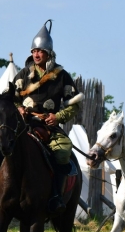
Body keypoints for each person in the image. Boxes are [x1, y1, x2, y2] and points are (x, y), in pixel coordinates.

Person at [13, 19, 84, 215]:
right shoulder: (22, 75)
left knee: (63, 152)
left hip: (48, 127)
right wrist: (18, 108)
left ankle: (55, 196)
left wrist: (58, 117)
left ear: (49, 53)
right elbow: (11, 99)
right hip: (23, 126)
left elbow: (74, 104)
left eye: (40, 51)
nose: (36, 54)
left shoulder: (62, 76)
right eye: (34, 51)